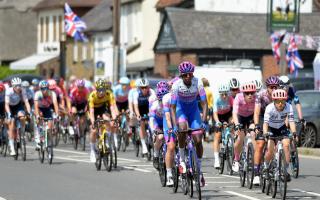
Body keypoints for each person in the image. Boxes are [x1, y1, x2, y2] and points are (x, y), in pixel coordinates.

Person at [170, 61, 207, 187]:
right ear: (181, 75)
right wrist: (175, 125)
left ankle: (199, 169)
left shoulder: (198, 82)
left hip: (193, 111)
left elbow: (204, 103)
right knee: (182, 129)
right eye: (185, 75)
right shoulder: (176, 85)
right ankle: (181, 159)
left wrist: (204, 121)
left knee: (197, 139)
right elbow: (173, 107)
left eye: (190, 74)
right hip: (181, 110)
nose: (187, 76)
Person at [263, 89, 297, 182]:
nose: (280, 103)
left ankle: (285, 170)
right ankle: (266, 166)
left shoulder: (289, 107)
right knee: (270, 148)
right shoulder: (269, 108)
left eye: (283, 101)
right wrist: (265, 133)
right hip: (271, 129)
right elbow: (265, 123)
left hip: (281, 128)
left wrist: (294, 133)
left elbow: (291, 121)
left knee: (286, 144)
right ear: (274, 101)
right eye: (278, 101)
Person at [252, 75, 280, 185]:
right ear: (267, 87)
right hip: (262, 117)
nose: (273, 89)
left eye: (275, 87)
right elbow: (256, 112)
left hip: (274, 118)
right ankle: (256, 173)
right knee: (260, 144)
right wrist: (256, 126)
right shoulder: (261, 95)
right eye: (271, 87)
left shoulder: (280, 95)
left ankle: (273, 164)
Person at [88, 79, 118, 162]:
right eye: (99, 90)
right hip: (93, 110)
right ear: (96, 90)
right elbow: (91, 111)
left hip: (102, 108)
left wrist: (114, 118)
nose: (101, 92)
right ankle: (92, 150)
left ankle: (107, 139)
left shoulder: (109, 94)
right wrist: (93, 122)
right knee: (93, 131)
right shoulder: (92, 96)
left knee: (107, 119)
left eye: (103, 90)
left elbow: (112, 108)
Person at [232, 82, 257, 173]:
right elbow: (234, 113)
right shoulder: (238, 97)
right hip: (240, 117)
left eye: (252, 93)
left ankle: (255, 158)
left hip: (251, 117)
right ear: (243, 93)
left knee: (254, 133)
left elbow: (257, 113)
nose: (250, 95)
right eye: (247, 93)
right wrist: (237, 124)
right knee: (240, 138)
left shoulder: (256, 98)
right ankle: (236, 159)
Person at [5, 77, 31, 156]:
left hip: (18, 106)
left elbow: (26, 102)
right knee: (12, 124)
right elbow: (6, 104)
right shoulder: (9, 91)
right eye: (16, 86)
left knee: (22, 116)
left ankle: (22, 132)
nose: (18, 87)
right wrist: (9, 114)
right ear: (13, 86)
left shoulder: (22, 90)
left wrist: (29, 112)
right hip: (10, 107)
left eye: (19, 85)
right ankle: (12, 147)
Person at [33, 80, 59, 150]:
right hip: (39, 109)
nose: (44, 90)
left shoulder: (52, 93)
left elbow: (55, 104)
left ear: (48, 88)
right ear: (40, 89)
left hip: (47, 109)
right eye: (42, 89)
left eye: (46, 88)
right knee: (39, 119)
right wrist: (37, 115)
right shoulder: (37, 94)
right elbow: (35, 106)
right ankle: (38, 138)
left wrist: (57, 115)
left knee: (50, 126)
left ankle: (48, 141)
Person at [212, 83, 233, 169]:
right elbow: (215, 113)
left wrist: (233, 120)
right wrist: (217, 121)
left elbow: (234, 111)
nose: (224, 96)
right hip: (219, 116)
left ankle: (231, 142)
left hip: (228, 115)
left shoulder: (230, 98)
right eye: (222, 94)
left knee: (232, 126)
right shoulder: (217, 99)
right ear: (219, 94)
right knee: (218, 135)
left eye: (226, 94)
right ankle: (216, 159)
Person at [133, 78, 156, 155]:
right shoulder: (136, 93)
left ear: (148, 87)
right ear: (140, 88)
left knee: (151, 123)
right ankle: (143, 145)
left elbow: (154, 104)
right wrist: (138, 115)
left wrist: (152, 113)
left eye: (146, 87)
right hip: (140, 109)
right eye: (142, 88)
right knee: (142, 123)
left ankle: (152, 138)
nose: (144, 89)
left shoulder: (152, 92)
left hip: (149, 107)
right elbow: (136, 107)